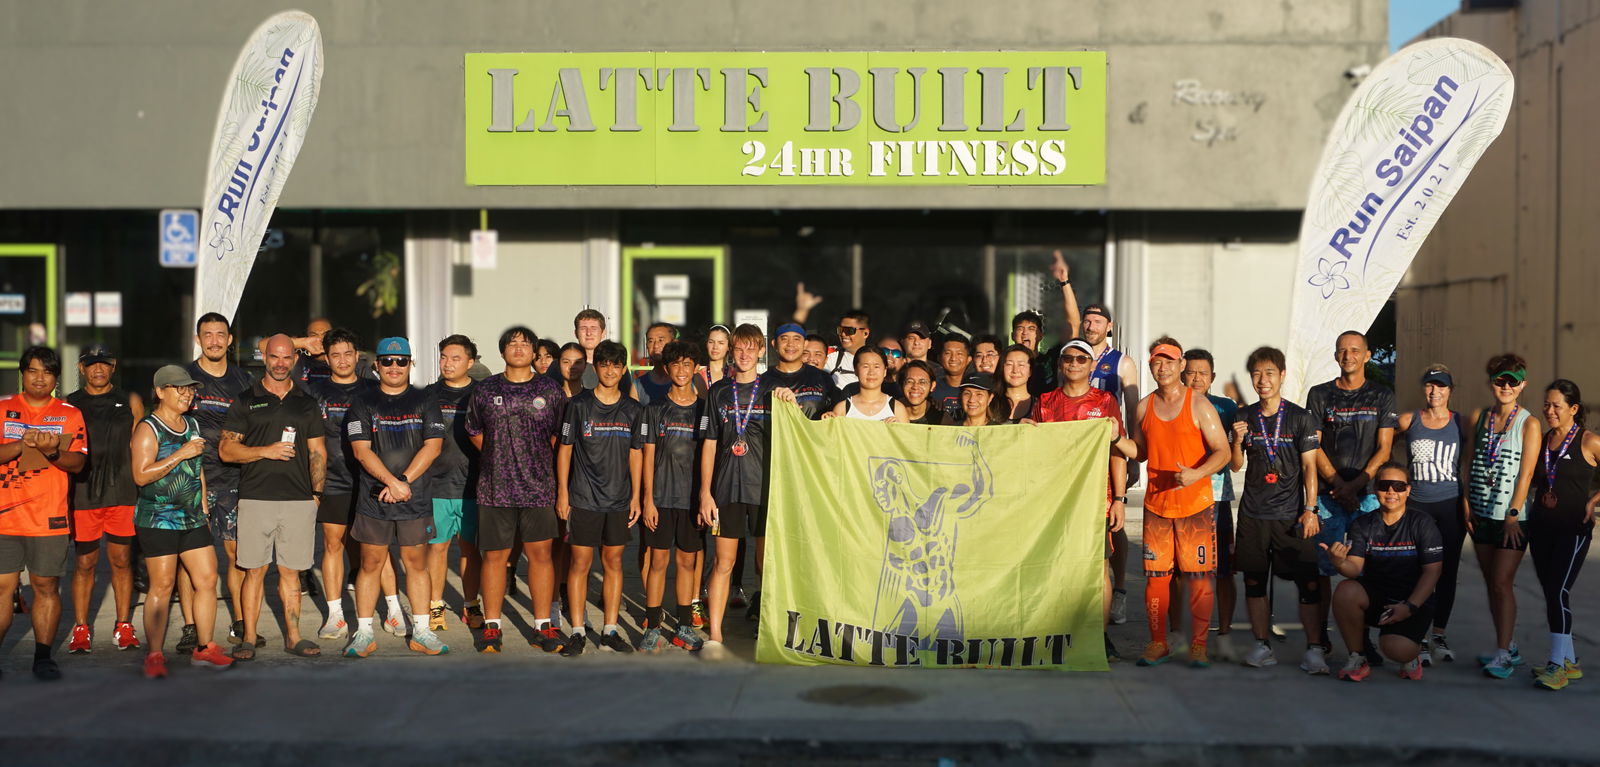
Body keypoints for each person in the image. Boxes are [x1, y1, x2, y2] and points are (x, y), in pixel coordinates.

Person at [219, 333, 328, 660]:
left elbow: (318, 452)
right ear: (264, 358)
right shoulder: (246, 400)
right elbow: (226, 450)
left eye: (286, 357)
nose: (280, 363)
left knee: (291, 573)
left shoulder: (306, 402)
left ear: (294, 360)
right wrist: (265, 451)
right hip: (256, 499)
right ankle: (249, 638)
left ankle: (294, 637)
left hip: (299, 501)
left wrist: (316, 495)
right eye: (274, 357)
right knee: (254, 571)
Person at [342, 337, 449, 657]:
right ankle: (363, 633)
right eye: (387, 361)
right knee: (370, 563)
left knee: (416, 564)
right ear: (377, 365)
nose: (394, 366)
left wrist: (403, 482)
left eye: (401, 360)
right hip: (374, 498)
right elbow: (361, 451)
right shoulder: (362, 402)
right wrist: (391, 482)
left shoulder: (425, 400)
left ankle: (422, 632)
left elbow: (433, 446)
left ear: (410, 363)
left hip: (414, 498)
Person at [465, 326, 568, 654]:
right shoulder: (486, 389)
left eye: (525, 344)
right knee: (495, 557)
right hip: (495, 488)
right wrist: (499, 455)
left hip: (539, 487)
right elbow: (473, 430)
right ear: (502, 351)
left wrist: (534, 459)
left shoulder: (550, 389)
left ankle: (543, 626)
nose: (519, 348)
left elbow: (558, 435)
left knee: (541, 556)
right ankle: (492, 626)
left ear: (535, 352)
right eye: (513, 343)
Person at [1028, 338, 1133, 660]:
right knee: (1056, 566)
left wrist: (1119, 498)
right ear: (1061, 364)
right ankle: (1059, 633)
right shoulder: (1045, 401)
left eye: (1081, 359)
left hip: (1095, 498)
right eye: (1068, 358)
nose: (1074, 363)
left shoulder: (1105, 400)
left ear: (1092, 365)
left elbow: (1118, 451)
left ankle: (1100, 637)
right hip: (1055, 499)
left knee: (1098, 568)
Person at [1130, 337, 1230, 668]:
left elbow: (1223, 452)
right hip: (1157, 507)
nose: (1163, 368)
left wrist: (1197, 473)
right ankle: (1158, 642)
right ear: (1150, 366)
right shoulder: (1143, 407)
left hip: (1195, 506)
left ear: (1181, 364)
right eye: (1157, 362)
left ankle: (1198, 645)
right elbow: (1140, 452)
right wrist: (1114, 437)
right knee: (1156, 578)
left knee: (1198, 578)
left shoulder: (1199, 405)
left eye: (1169, 361)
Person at [129, 365, 233, 676]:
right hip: (158, 518)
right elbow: (140, 475)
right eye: (179, 388)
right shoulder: (148, 428)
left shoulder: (192, 423)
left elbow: (197, 469)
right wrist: (181, 453)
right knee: (162, 586)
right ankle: (154, 655)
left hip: (192, 516)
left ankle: (204, 648)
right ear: (160, 392)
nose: (187, 394)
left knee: (207, 580)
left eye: (190, 388)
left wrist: (203, 506)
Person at [1304, 330, 1396, 671]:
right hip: (1328, 498)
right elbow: (1313, 446)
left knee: (1365, 570)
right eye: (1342, 350)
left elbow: (1384, 448)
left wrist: (1357, 484)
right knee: (1323, 569)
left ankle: (1362, 640)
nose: (1348, 356)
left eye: (1355, 350)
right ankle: (1320, 639)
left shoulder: (1382, 395)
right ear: (1335, 356)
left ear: (1367, 355)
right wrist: (1338, 484)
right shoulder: (1320, 394)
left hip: (1367, 498)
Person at [1229, 346, 1325, 671]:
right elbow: (1235, 465)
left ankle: (1314, 649)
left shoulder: (1300, 417)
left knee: (1308, 584)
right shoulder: (1243, 416)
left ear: (1282, 375)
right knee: (1254, 583)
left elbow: (1310, 467)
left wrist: (1310, 509)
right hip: (1253, 515)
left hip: (1291, 515)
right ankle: (1262, 645)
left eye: (1269, 373)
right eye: (1256, 374)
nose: (1263, 380)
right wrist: (1236, 442)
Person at [308, 329, 403, 643]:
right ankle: (335, 615)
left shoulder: (375, 389)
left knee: (378, 548)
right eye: (335, 355)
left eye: (348, 353)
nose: (342, 360)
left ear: (357, 356)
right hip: (334, 481)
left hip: (371, 481)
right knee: (332, 544)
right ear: (326, 358)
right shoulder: (315, 393)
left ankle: (394, 610)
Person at [0, 346, 87, 680]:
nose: (40, 378)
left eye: (47, 372)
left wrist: (52, 452)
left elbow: (78, 464)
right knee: (3, 589)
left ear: (56, 378)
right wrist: (21, 445)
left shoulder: (69, 414)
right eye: (33, 370)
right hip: (5, 517)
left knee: (46, 587)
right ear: (22, 373)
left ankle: (43, 657)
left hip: (48, 518)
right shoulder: (3, 408)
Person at [556, 340, 642, 656]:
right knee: (580, 563)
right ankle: (578, 631)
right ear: (597, 368)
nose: (610, 371)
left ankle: (610, 630)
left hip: (618, 500)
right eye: (604, 365)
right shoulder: (578, 405)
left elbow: (636, 454)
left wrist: (636, 496)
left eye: (616, 365)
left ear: (623, 369)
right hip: (583, 498)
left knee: (614, 562)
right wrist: (563, 493)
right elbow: (564, 451)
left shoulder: (634, 409)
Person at [1324, 462, 1443, 682]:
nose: (1391, 491)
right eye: (1384, 485)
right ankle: (1357, 657)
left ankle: (1412, 654)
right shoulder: (1362, 524)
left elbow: (1432, 572)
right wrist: (1339, 563)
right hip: (1377, 597)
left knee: (1396, 649)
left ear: (1408, 490)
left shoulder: (1422, 523)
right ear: (1375, 489)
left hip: (1412, 599)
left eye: (1398, 486)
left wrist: (1409, 607)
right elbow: (1354, 569)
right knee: (1345, 590)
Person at [698, 324, 772, 659]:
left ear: (761, 350)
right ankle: (715, 634)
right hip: (726, 488)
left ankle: (768, 627)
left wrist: (790, 401)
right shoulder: (719, 392)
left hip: (763, 488)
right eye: (738, 348)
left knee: (765, 563)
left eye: (750, 348)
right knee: (723, 562)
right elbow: (709, 444)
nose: (744, 354)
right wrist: (705, 492)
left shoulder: (772, 390)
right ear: (731, 351)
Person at [65, 345, 145, 654]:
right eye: (91, 363)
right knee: (85, 562)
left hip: (122, 491)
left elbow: (141, 445)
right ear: (81, 368)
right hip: (83, 492)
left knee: (121, 560)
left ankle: (123, 625)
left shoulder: (130, 401)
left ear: (113, 366)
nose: (98, 368)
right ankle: (81, 628)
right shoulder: (70, 404)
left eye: (104, 363)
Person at [1465, 354, 1540, 679]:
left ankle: (1504, 654)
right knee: (1491, 584)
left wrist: (1512, 513)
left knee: (1501, 582)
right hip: (1480, 513)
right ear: (1492, 382)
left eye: (1513, 381)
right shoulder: (1480, 417)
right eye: (1500, 380)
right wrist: (1466, 502)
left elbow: (1526, 474)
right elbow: (1468, 462)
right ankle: (1506, 646)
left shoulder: (1529, 423)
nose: (1506, 387)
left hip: (1511, 519)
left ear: (1522, 385)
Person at [186, 312, 255, 645]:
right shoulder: (184, 378)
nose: (214, 341)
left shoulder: (245, 382)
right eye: (207, 334)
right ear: (197, 339)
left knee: (236, 554)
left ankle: (240, 621)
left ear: (229, 340)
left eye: (219, 335)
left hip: (233, 481)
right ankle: (190, 627)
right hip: (189, 479)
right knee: (190, 558)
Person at [1526, 380, 1599, 690]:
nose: (1550, 410)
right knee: (1552, 593)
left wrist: (1593, 502)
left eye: (1556, 405)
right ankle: (1569, 661)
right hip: (1541, 530)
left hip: (1573, 531)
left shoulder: (1589, 441)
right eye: (1546, 404)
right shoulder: (1544, 440)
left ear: (1573, 408)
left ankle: (1557, 667)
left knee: (1557, 592)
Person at [1396, 366, 1469, 667]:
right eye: (1430, 385)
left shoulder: (1461, 423)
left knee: (1447, 571)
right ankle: (1418, 636)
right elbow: (1379, 439)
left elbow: (1476, 458)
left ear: (1450, 390)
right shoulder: (1409, 420)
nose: (1434, 391)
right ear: (1423, 388)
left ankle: (1439, 634)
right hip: (1418, 506)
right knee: (1418, 571)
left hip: (1450, 506)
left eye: (1441, 386)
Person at [638, 341, 707, 653]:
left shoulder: (705, 410)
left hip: (691, 500)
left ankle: (683, 627)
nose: (681, 370)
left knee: (687, 562)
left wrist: (705, 498)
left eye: (687, 364)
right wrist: (647, 500)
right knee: (657, 562)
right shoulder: (654, 409)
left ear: (695, 368)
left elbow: (710, 455)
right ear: (667, 369)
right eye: (675, 364)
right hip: (661, 499)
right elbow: (647, 456)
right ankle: (652, 626)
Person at [1077, 302, 1140, 622]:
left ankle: (1120, 590)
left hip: (1110, 451)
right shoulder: (1074, 356)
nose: (1091, 326)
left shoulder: (1122, 362)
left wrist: (1135, 455)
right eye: (1087, 321)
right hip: (1079, 454)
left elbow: (1133, 409)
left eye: (1097, 321)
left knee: (1115, 522)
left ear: (1109, 326)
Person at [1180, 348, 1240, 661]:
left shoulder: (1226, 407)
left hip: (1217, 499)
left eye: (1203, 372)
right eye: (1190, 372)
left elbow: (1236, 462)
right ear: (1181, 373)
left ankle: (1225, 634)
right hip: (1182, 499)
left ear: (1213, 376)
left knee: (1224, 571)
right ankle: (1180, 633)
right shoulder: (1170, 403)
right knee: (1182, 572)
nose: (1196, 378)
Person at [425, 334, 483, 631]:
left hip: (473, 486)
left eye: (456, 358)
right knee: (437, 548)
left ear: (470, 362)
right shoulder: (428, 395)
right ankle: (435, 606)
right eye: (444, 357)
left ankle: (471, 604)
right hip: (436, 486)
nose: (448, 363)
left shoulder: (481, 394)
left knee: (470, 549)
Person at [829, 347, 907, 422]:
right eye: (865, 366)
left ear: (885, 371)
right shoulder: (842, 409)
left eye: (876, 367)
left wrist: (897, 427)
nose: (871, 372)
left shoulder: (898, 409)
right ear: (856, 370)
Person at [574, 309, 634, 398]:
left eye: (594, 328)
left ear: (603, 333)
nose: (588, 333)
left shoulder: (616, 365)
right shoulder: (563, 365)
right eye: (583, 328)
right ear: (576, 333)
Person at [822, 310, 871, 388]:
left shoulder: (878, 358)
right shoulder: (828, 354)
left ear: (865, 333)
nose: (843, 334)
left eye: (849, 330)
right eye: (840, 330)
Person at [634, 322, 677, 405]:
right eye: (650, 341)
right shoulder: (638, 385)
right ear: (646, 346)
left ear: (674, 343)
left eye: (661, 340)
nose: (656, 345)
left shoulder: (690, 380)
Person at [933, 335, 973, 418]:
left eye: (959, 353)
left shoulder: (976, 389)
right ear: (939, 358)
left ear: (969, 359)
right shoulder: (930, 388)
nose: (953, 358)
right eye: (948, 353)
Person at [897, 361, 943, 426]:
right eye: (909, 381)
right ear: (901, 384)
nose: (915, 387)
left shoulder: (941, 417)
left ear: (932, 386)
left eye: (922, 382)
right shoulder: (889, 411)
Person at [999, 345, 1035, 423]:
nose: (1015, 370)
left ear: (1030, 371)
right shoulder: (990, 404)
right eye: (1009, 364)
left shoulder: (1040, 405)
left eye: (1021, 365)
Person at [701, 324, 733, 389]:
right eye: (711, 342)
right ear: (706, 344)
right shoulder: (698, 375)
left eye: (721, 343)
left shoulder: (735, 374)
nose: (715, 347)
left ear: (729, 347)